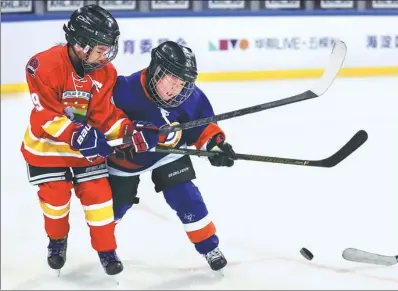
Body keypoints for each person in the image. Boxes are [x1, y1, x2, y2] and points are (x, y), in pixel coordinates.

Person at [20, 4, 157, 276]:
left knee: (100, 198)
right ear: (81, 44)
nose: (106, 54)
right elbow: (47, 115)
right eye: (101, 47)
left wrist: (129, 131)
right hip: (47, 150)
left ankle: (107, 249)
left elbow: (104, 117)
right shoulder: (42, 66)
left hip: (85, 150)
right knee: (55, 201)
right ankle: (57, 241)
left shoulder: (105, 73)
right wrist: (78, 134)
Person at [107, 41, 237, 272]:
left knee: (187, 198)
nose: (176, 89)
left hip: (168, 154)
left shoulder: (191, 96)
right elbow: (104, 121)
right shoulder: (125, 89)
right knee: (116, 206)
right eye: (171, 79)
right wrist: (128, 131)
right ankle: (105, 247)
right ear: (156, 71)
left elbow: (203, 126)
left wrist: (215, 147)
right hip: (125, 162)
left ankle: (209, 247)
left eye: (182, 83)